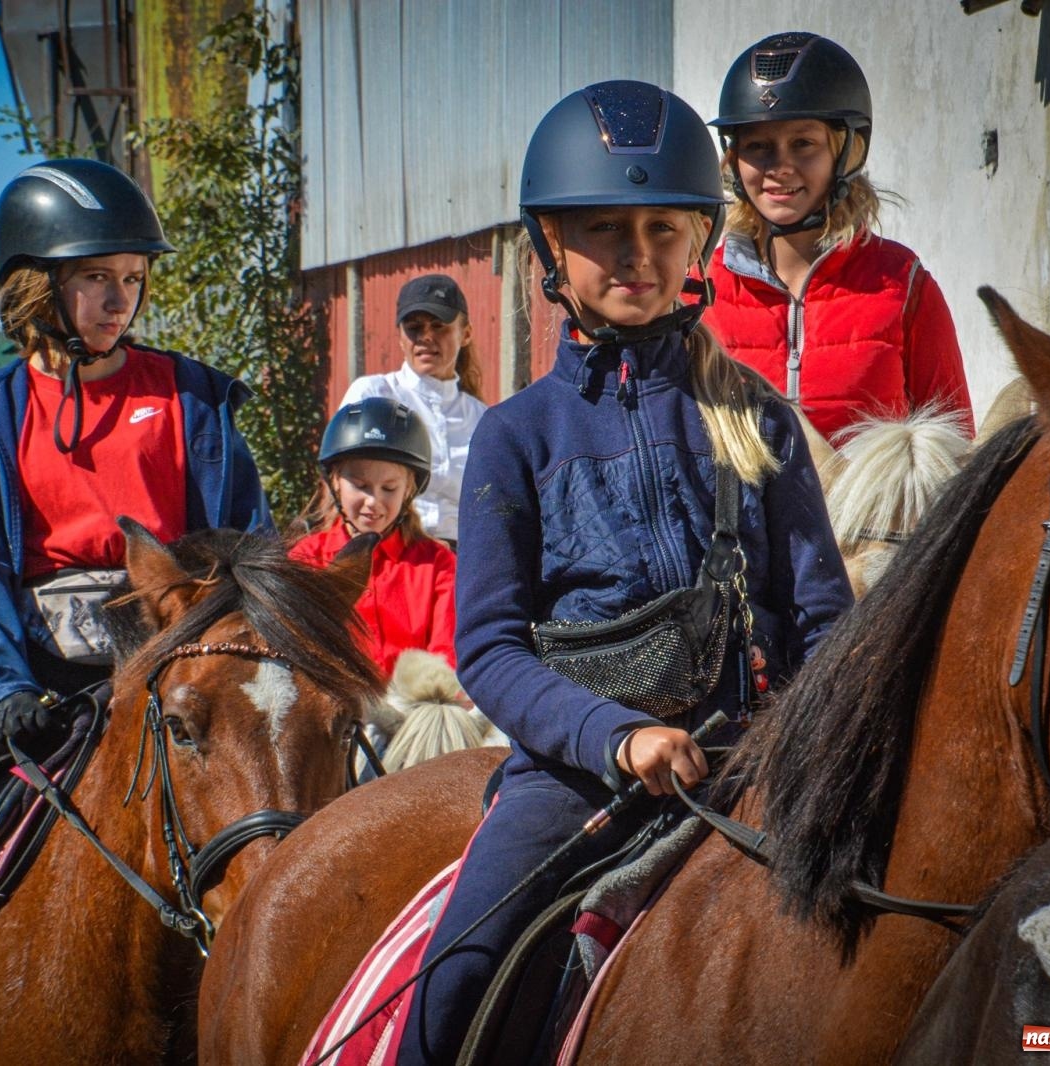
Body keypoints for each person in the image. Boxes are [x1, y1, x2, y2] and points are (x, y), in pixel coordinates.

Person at [396, 81, 853, 1065]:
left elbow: (825, 620)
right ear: (552, 248)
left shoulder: (760, 419)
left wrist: (813, 744)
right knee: (457, 979)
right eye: (603, 229)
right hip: (574, 773)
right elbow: (489, 648)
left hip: (760, 758)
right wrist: (617, 735)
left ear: (697, 242)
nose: (636, 254)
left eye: (661, 228)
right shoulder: (515, 436)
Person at [0, 158, 269, 1065]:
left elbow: (251, 553)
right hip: (30, 678)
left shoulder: (194, 399)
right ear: (38, 288)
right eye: (96, 279)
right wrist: (2, 689)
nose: (121, 300)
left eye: (133, 278)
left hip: (176, 672)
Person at [703, 32, 974, 443]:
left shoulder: (902, 285)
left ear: (847, 152)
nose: (780, 166)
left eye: (803, 144)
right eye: (758, 146)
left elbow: (954, 447)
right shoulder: (700, 289)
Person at [290, 397, 457, 676]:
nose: (373, 501)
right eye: (360, 485)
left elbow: (446, 659)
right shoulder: (305, 560)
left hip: (414, 702)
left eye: (389, 488)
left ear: (408, 490)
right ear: (335, 482)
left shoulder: (438, 565)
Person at [339, 274, 487, 548]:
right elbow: (344, 485)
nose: (426, 337)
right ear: (400, 338)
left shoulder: (482, 418)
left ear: (466, 334)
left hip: (465, 555)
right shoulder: (373, 396)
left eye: (439, 326)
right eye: (414, 327)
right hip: (389, 551)